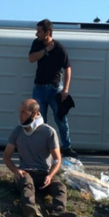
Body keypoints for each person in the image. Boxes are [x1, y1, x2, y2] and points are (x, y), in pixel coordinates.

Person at [2, 99, 77, 217]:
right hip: (26, 172)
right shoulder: (17, 131)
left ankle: (59, 212)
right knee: (27, 183)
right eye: (20, 112)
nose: (20, 116)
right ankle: (29, 209)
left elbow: (57, 159)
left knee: (60, 187)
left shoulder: (48, 132)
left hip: (44, 173)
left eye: (24, 113)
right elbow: (6, 156)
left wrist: (50, 175)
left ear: (35, 113)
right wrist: (16, 170)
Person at [28, 19, 77, 158]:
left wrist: (65, 90)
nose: (36, 34)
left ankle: (67, 148)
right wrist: (45, 50)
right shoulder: (36, 44)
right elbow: (31, 58)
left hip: (55, 89)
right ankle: (43, 148)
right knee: (39, 120)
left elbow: (68, 68)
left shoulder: (59, 48)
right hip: (39, 88)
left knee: (61, 119)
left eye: (39, 31)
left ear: (47, 32)